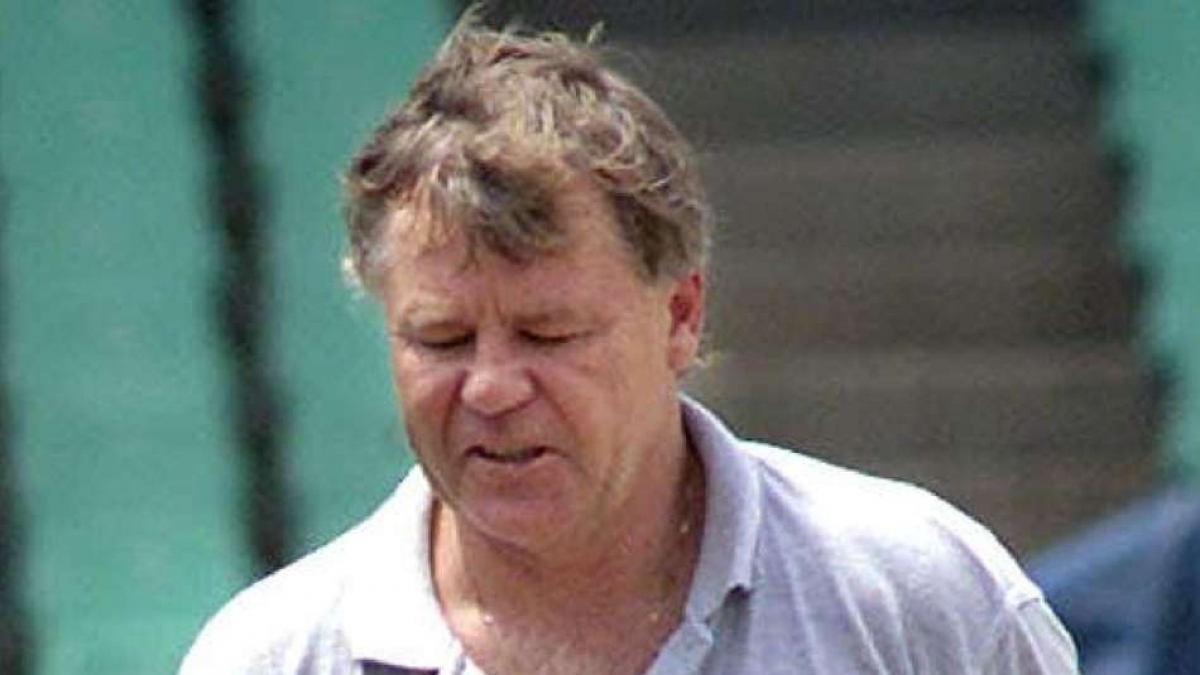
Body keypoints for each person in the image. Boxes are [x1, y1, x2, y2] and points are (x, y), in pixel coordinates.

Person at [179, 12, 1080, 675]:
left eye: (548, 332)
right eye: (441, 339)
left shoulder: (917, 601)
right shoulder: (277, 655)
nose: (491, 386)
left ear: (681, 315)